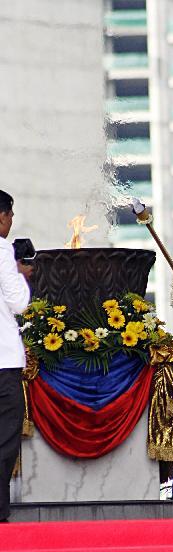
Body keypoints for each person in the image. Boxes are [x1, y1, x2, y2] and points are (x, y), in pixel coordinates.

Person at [0, 190, 32, 522]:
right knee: (5, 439)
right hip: (3, 362)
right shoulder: (1, 251)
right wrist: (21, 274)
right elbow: (19, 303)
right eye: (10, 215)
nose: (11, 221)